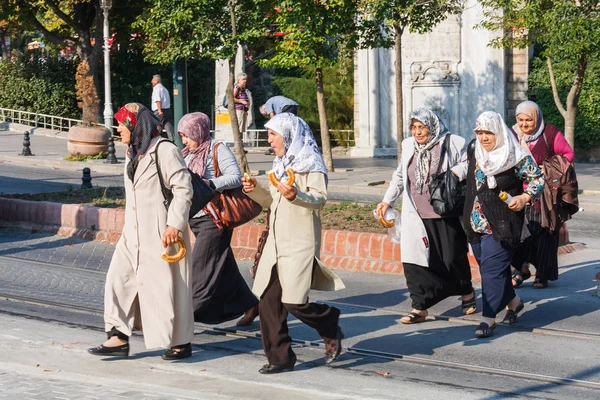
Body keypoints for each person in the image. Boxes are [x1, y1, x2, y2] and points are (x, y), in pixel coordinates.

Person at [88, 103, 194, 360]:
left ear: (136, 125)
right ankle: (118, 337)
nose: (118, 129)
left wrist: (174, 224)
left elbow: (183, 188)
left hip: (161, 231)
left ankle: (181, 341)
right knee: (118, 280)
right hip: (132, 233)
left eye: (122, 124)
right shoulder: (132, 153)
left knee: (169, 286)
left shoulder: (165, 150)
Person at [242, 112, 345, 374]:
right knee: (267, 302)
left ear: (288, 135)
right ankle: (280, 358)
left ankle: (329, 322)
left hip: (300, 242)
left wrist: (296, 195)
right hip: (276, 244)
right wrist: (253, 189)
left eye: (273, 134)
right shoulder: (280, 163)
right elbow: (271, 202)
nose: (270, 139)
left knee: (294, 302)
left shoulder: (311, 162)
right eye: (269, 134)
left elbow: (319, 199)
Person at [377, 108, 476, 324]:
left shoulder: (454, 142)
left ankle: (467, 292)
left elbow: (471, 163)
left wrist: (457, 171)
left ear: (432, 126)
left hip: (445, 212)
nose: (417, 132)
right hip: (416, 214)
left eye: (422, 127)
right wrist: (387, 200)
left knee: (452, 257)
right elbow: (400, 176)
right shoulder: (408, 145)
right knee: (413, 261)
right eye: (414, 127)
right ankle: (419, 307)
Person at [464, 111, 544, 338]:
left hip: (502, 223)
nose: (483, 137)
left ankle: (488, 317)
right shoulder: (475, 151)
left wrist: (524, 198)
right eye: (479, 132)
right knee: (494, 271)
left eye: (488, 132)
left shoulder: (515, 155)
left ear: (498, 132)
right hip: (474, 223)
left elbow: (537, 179)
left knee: (491, 270)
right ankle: (514, 301)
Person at [177, 112, 259, 327]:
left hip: (215, 220)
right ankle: (250, 304)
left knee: (200, 269)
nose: (184, 140)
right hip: (196, 218)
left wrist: (208, 185)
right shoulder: (187, 153)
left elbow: (235, 176)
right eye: (182, 136)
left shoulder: (217, 149)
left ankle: (184, 317)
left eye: (187, 135)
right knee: (224, 266)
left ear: (199, 131)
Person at [510, 101, 575, 289]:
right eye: (520, 120)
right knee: (520, 232)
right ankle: (521, 268)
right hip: (519, 192)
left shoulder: (550, 133)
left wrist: (547, 167)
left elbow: (568, 155)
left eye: (528, 120)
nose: (524, 124)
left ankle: (542, 274)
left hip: (544, 194)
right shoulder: (512, 134)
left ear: (536, 118)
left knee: (544, 233)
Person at [151, 74, 175, 141]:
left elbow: (158, 100)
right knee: (169, 127)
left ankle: (155, 141)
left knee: (156, 126)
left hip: (159, 111)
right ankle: (172, 141)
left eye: (153, 80)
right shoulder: (165, 89)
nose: (151, 82)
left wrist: (159, 110)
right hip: (167, 110)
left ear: (157, 80)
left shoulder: (156, 89)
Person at [233, 72, 250, 138]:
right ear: (239, 80)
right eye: (243, 79)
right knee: (239, 127)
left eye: (245, 79)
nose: (245, 81)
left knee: (242, 128)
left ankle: (240, 144)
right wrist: (242, 101)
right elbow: (232, 97)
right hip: (238, 110)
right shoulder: (237, 87)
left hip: (243, 110)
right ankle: (237, 144)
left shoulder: (242, 89)